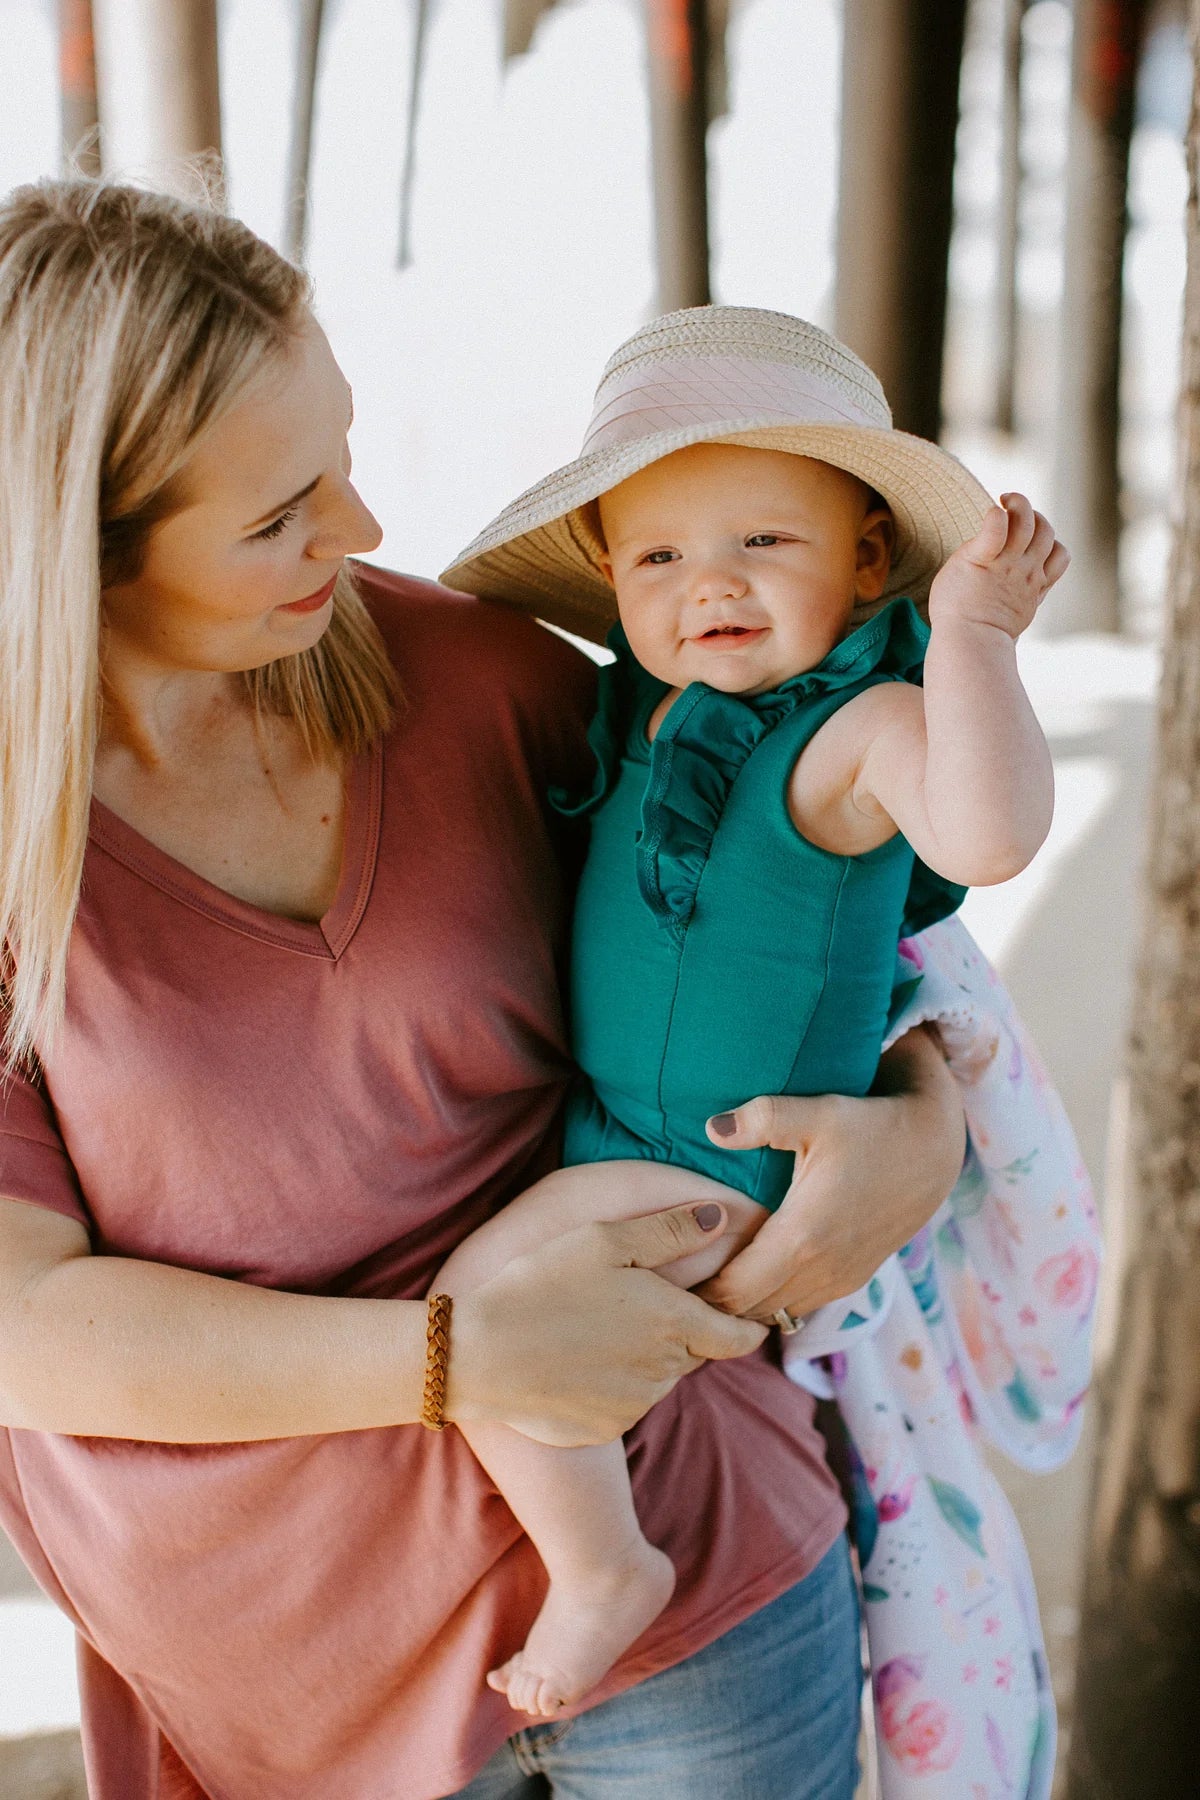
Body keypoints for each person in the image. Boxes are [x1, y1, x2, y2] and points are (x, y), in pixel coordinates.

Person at [0, 181, 984, 1800]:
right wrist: (458, 1361)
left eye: (341, 456)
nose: (366, 530)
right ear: (70, 549)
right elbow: (26, 1326)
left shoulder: (487, 680)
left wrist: (918, 1114)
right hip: (292, 1670)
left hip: (699, 1574)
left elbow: (826, 902)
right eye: (277, 514)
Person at [436, 307, 1069, 1720]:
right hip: (615, 1129)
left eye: (762, 544)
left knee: (479, 1321)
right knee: (503, 1325)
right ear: (608, 572)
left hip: (727, 1161)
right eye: (661, 555)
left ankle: (606, 1567)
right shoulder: (645, 708)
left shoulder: (856, 730)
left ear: (861, 555)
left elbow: (990, 831)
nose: (708, 585)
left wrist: (971, 642)